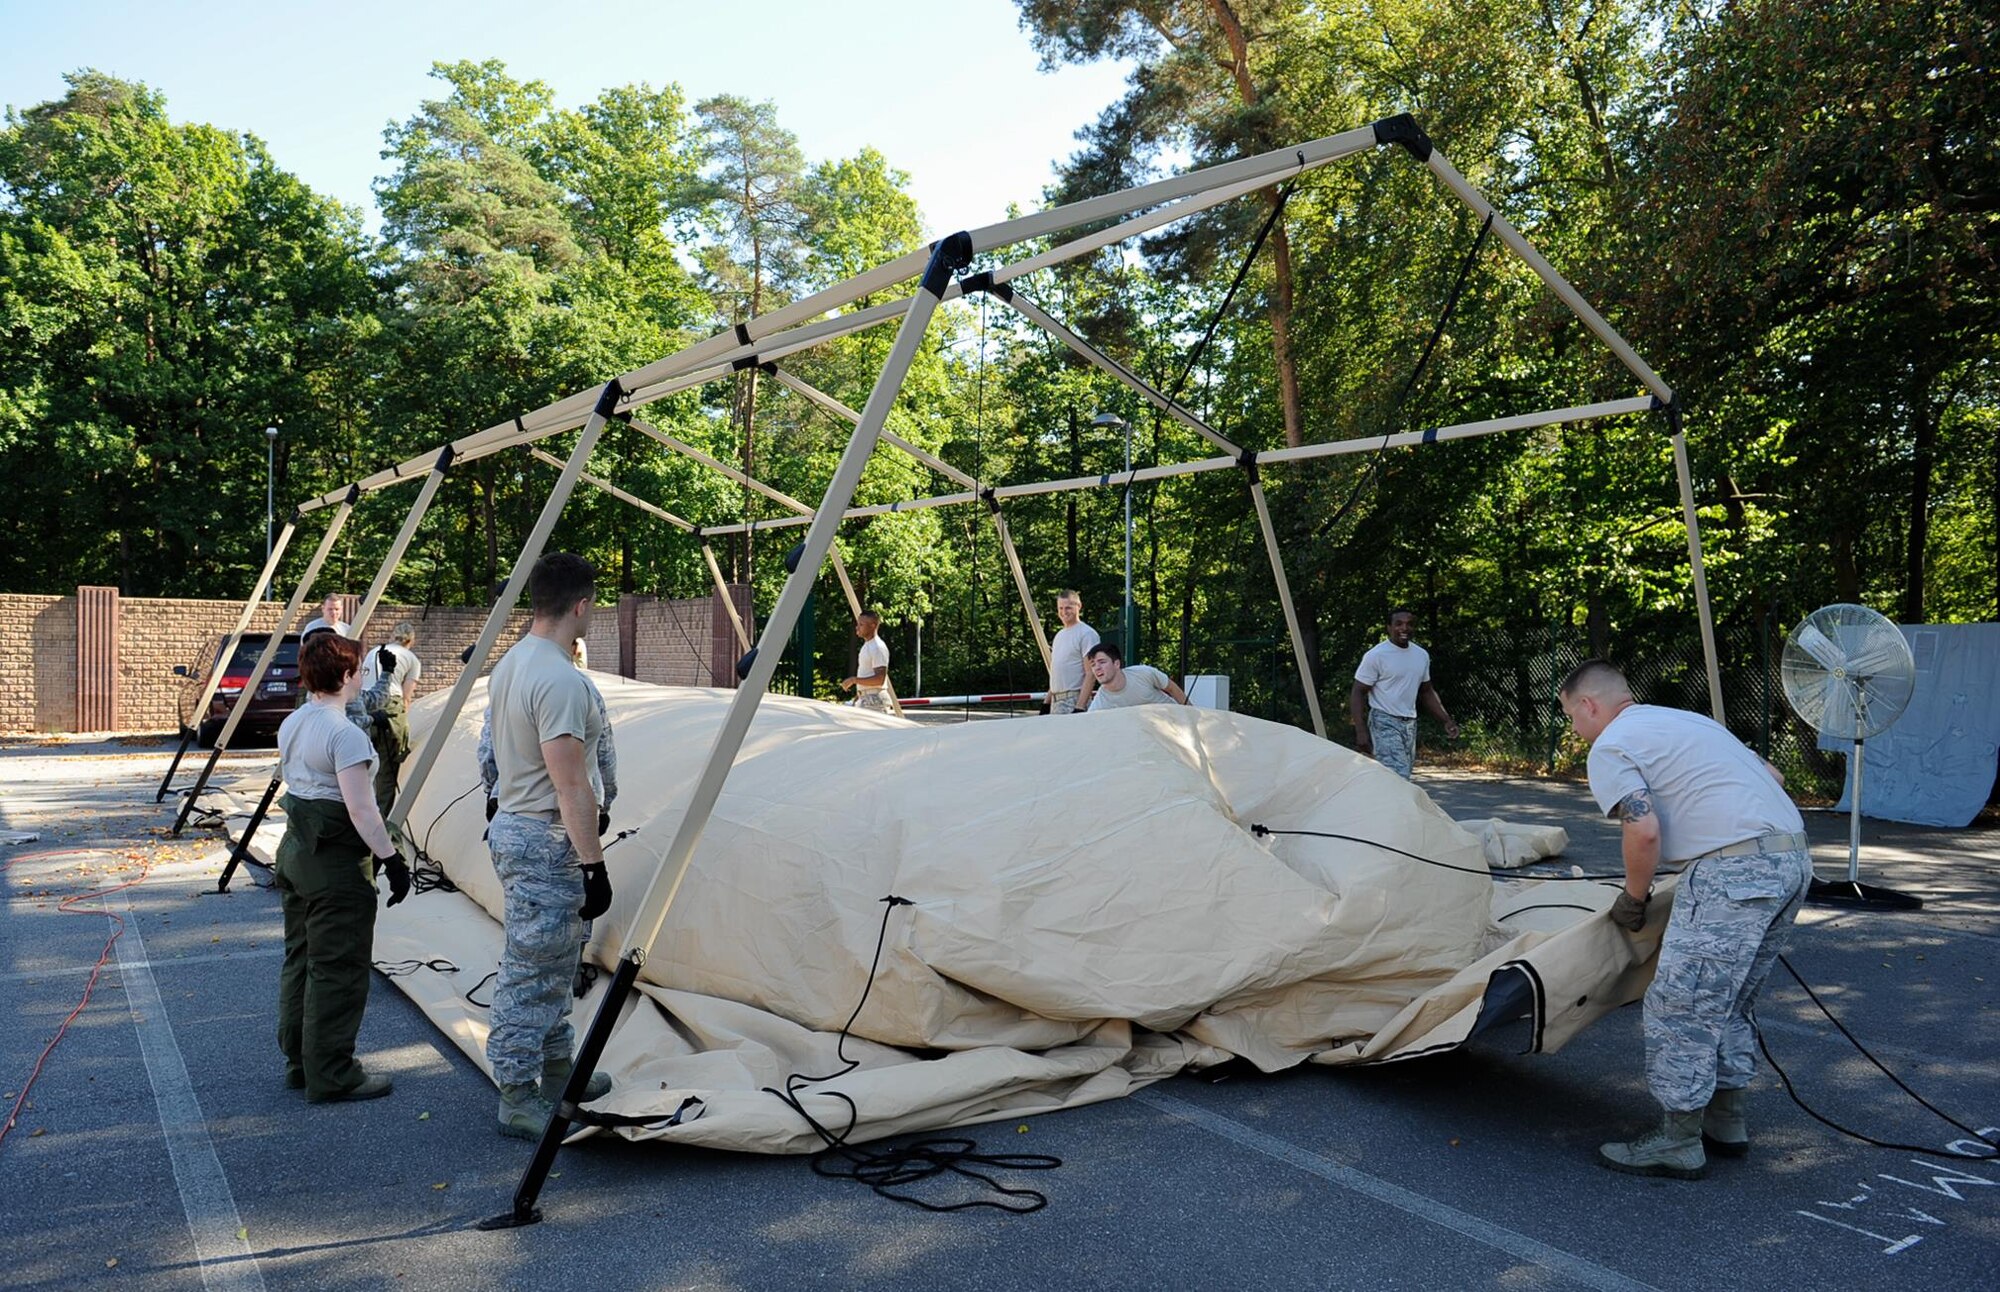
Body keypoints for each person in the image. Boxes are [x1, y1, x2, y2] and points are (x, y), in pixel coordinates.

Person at [1558, 659, 1812, 1180]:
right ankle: (1727, 1120)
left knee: (1682, 1004)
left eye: (1571, 716)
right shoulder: (1690, 721)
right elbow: (1773, 776)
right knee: (1731, 998)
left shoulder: (1611, 746)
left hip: (1732, 872)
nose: (1575, 729)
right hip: (1792, 859)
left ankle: (1678, 1140)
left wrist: (1634, 896)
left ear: (1589, 705)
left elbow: (1643, 829)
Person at [478, 553, 617, 1139]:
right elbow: (570, 783)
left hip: (522, 827)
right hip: (546, 841)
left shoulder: (515, 661)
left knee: (556, 963)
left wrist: (497, 795)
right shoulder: (558, 679)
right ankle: (516, 1093)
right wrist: (594, 866)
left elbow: (488, 748)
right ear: (580, 606)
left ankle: (561, 1069)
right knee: (531, 972)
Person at [273, 632, 410, 1103]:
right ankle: (331, 1072)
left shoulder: (293, 722)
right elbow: (363, 811)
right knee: (338, 968)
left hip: (295, 852)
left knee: (301, 959)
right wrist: (392, 860)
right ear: (349, 675)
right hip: (334, 864)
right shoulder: (345, 735)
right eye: (358, 670)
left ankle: (299, 1061)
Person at [1349, 609, 1459, 779]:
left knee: (1401, 774)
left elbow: (1427, 691)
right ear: (1389, 627)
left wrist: (1446, 719)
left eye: (1409, 624)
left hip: (1409, 723)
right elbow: (1358, 692)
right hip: (1384, 719)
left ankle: (1380, 804)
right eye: (1398, 624)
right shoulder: (1376, 656)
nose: (1404, 628)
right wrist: (1360, 730)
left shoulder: (1421, 655)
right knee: (1398, 775)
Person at [358, 622, 421, 817]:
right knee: (387, 768)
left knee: (362, 766)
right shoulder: (411, 658)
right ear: (410, 640)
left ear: (393, 636)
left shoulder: (374, 651)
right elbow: (406, 697)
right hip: (388, 705)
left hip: (364, 703)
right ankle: (381, 822)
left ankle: (358, 815)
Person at [1084, 641, 1189, 710]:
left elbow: (1171, 688)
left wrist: (1193, 713)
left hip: (1172, 722)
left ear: (1117, 664)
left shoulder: (1143, 673)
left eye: (1102, 662)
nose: (1097, 668)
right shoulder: (1100, 702)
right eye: (1093, 665)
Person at [1046, 590, 1101, 715]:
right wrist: (1047, 702)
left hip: (1074, 698)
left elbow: (1090, 673)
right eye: (1060, 608)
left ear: (1079, 606)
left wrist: (1080, 707)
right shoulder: (1059, 635)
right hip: (1056, 700)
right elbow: (1057, 673)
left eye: (1068, 608)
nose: (1064, 612)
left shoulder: (1086, 634)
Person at [839, 610, 893, 714]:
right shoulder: (867, 646)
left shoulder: (877, 647)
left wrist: (853, 680)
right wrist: (858, 695)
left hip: (874, 701)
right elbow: (866, 674)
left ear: (873, 625)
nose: (857, 627)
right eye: (857, 624)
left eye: (861, 624)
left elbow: (880, 679)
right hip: (866, 698)